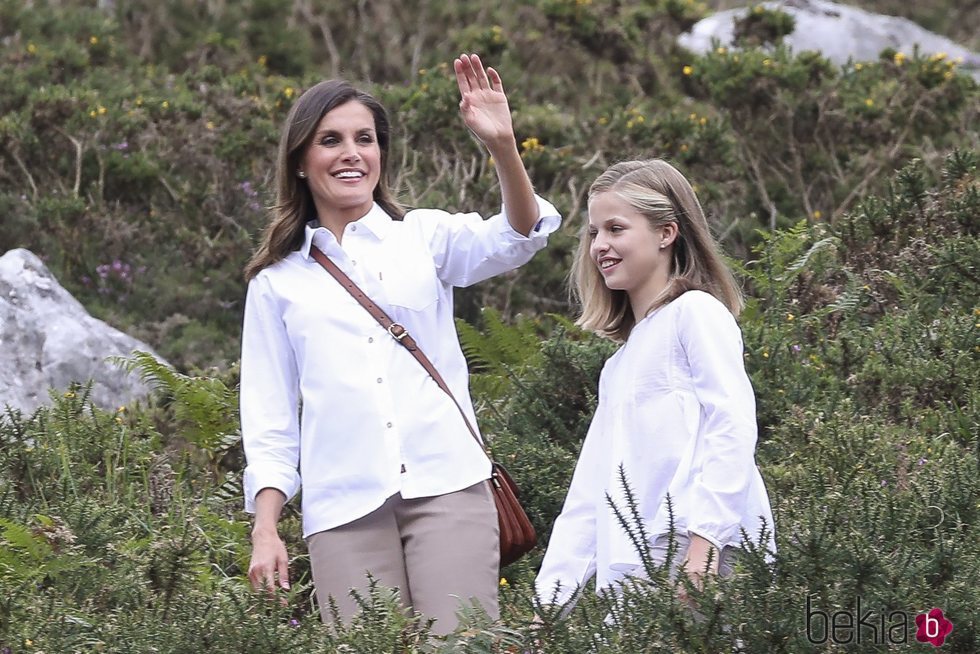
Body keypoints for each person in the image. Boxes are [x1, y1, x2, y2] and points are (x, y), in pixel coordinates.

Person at [240, 53, 561, 634]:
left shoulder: (423, 236)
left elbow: (519, 234)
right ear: (301, 162)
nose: (351, 153)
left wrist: (503, 146)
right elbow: (269, 422)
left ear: (381, 155)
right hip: (343, 508)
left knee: (463, 646)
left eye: (365, 138)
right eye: (330, 140)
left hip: (449, 487)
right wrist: (266, 528)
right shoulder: (276, 284)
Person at [534, 159, 775, 613]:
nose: (600, 246)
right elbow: (588, 496)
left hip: (703, 553)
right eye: (593, 233)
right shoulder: (620, 364)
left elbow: (733, 427)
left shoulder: (696, 313)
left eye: (616, 229)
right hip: (636, 573)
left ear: (666, 233)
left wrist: (703, 550)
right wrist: (544, 612)